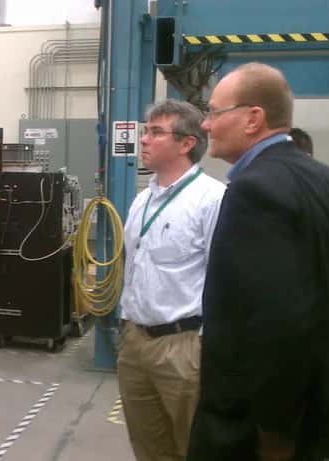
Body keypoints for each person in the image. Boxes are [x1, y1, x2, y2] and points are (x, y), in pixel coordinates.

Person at [188, 62, 329, 461]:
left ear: (253, 118)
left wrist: (275, 432)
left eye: (214, 112)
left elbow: (276, 322)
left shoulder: (255, 191)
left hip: (263, 435)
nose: (206, 126)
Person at [117, 99, 225, 461]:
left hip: (184, 345)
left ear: (186, 143)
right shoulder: (141, 201)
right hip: (135, 341)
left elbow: (223, 281)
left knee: (192, 446)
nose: (144, 139)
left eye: (156, 132)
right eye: (145, 130)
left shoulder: (212, 200)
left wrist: (204, 349)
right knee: (148, 446)